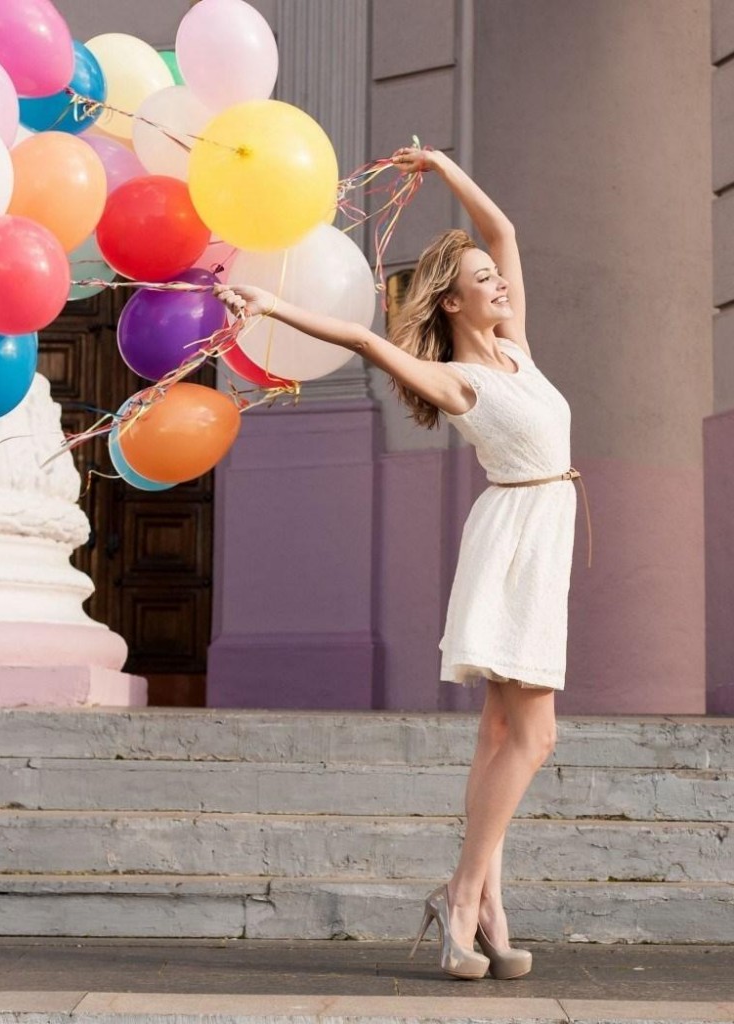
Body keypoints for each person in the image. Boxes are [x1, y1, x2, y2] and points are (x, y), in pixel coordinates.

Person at [214, 145, 580, 981]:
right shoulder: (457, 379)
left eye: (498, 277)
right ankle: (463, 896)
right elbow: (358, 337)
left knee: (500, 731)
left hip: (542, 533)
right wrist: (271, 301)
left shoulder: (517, 346)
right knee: (535, 734)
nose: (502, 284)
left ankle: (483, 903)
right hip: (514, 540)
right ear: (454, 301)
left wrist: (446, 169)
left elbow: (505, 227)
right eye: (484, 280)